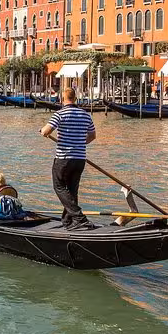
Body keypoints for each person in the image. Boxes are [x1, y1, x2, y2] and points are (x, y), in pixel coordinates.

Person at [40, 87, 97, 230]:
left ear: (62, 98)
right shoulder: (86, 115)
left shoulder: (59, 114)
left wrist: (42, 131)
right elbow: (92, 136)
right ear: (75, 98)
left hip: (64, 158)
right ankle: (69, 222)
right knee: (72, 190)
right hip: (80, 159)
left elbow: (46, 131)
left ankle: (79, 218)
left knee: (59, 186)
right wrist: (78, 143)